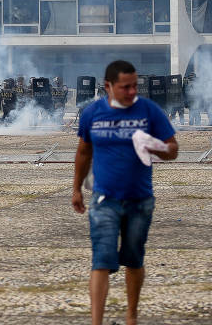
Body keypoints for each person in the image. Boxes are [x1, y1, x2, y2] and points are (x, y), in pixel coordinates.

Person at [72, 60, 178, 325]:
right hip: (104, 199)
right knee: (101, 261)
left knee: (133, 259)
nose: (132, 92)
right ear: (108, 86)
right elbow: (84, 151)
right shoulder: (92, 113)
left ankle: (131, 317)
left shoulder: (149, 111)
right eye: (125, 87)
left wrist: (154, 146)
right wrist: (76, 188)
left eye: (135, 86)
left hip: (140, 200)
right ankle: (96, 322)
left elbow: (173, 149)